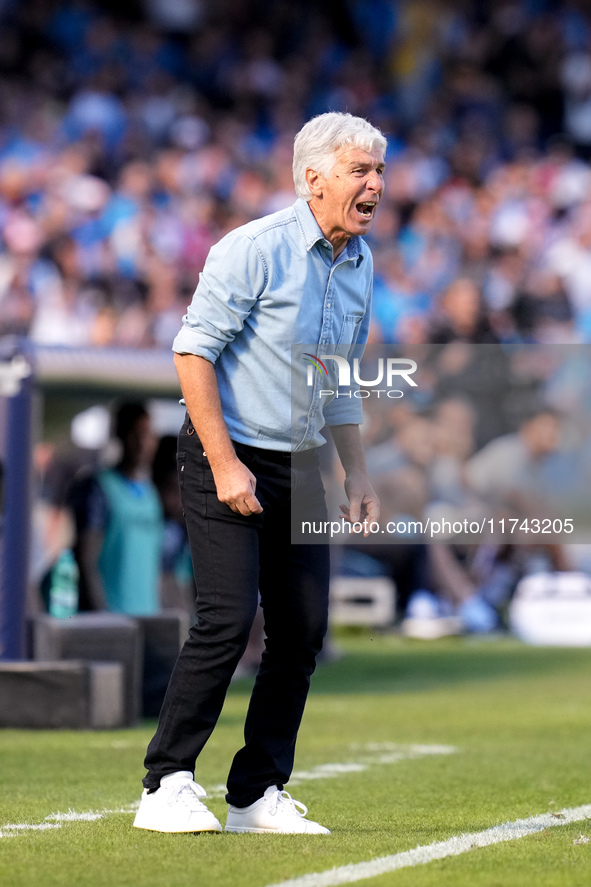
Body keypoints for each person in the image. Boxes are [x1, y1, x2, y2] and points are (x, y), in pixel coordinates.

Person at [133, 112, 385, 835]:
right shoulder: (252, 249)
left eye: (378, 172)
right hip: (227, 451)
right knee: (226, 618)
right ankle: (165, 783)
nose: (373, 185)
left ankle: (253, 794)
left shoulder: (360, 265)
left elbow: (338, 380)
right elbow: (191, 353)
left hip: (301, 465)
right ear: (313, 178)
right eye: (357, 170)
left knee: (302, 629)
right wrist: (223, 463)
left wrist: (356, 472)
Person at [70, 401, 163, 614]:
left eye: (147, 434)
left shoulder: (152, 494)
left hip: (149, 617)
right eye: (134, 434)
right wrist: (104, 618)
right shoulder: (99, 488)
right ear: (119, 435)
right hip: (113, 620)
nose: (141, 443)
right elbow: (87, 560)